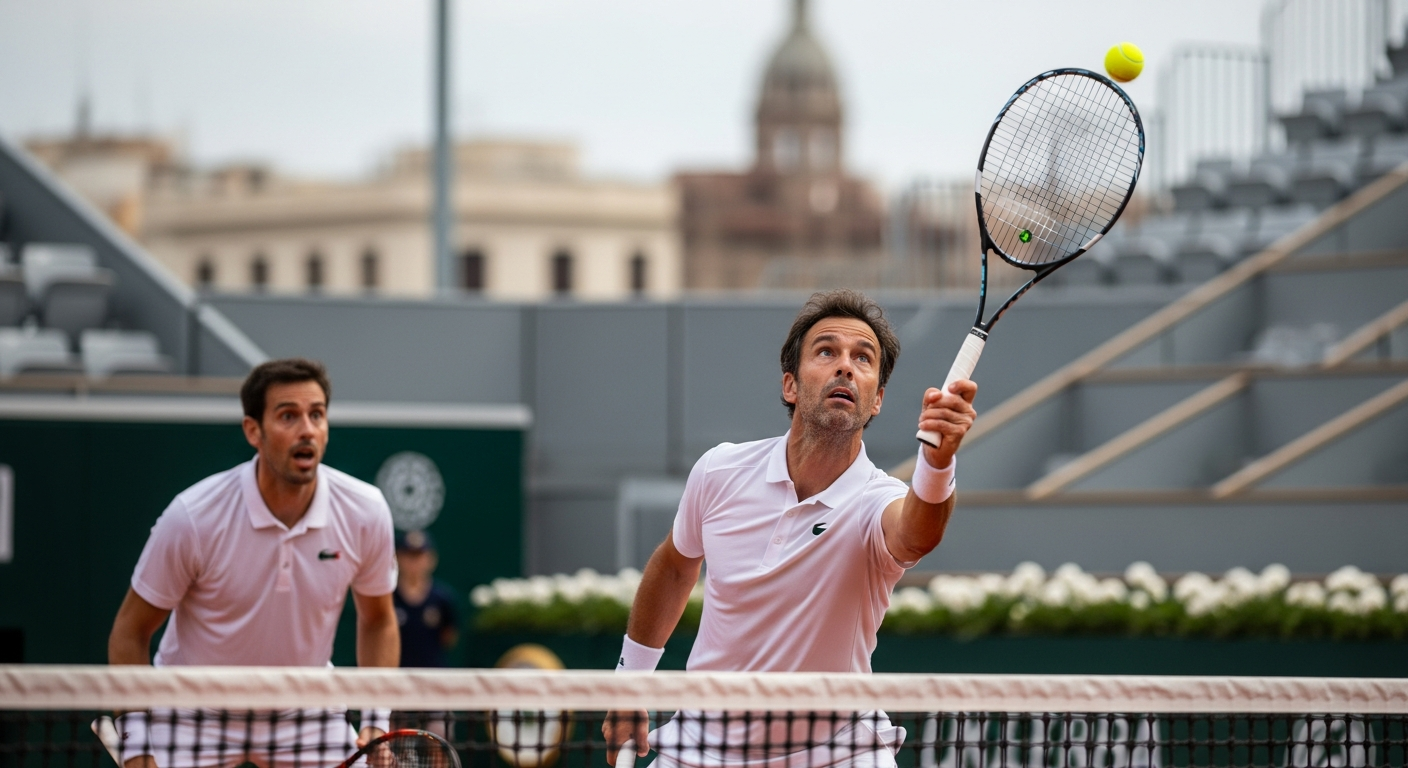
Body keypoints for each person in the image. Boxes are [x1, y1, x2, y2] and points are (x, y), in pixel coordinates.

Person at [603, 290, 977, 768]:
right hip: (700, 749)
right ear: (791, 386)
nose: (846, 367)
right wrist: (630, 682)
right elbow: (676, 566)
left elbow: (916, 534)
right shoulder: (719, 472)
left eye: (863, 358)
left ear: (877, 400)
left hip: (837, 753)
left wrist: (937, 464)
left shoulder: (877, 501)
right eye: (826, 352)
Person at [107, 358, 400, 768]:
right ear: (253, 431)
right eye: (288, 416)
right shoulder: (193, 516)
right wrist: (136, 746)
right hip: (193, 712)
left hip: (305, 713)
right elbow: (130, 631)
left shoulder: (365, 511)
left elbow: (379, 620)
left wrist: (375, 722)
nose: (307, 429)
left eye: (317, 414)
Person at [390, 529, 458, 737]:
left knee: (439, 742)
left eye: (419, 556)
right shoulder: (388, 597)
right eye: (409, 556)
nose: (414, 562)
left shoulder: (443, 598)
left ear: (431, 559)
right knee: (393, 743)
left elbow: (449, 637)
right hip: (396, 686)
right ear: (398, 558)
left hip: (435, 684)